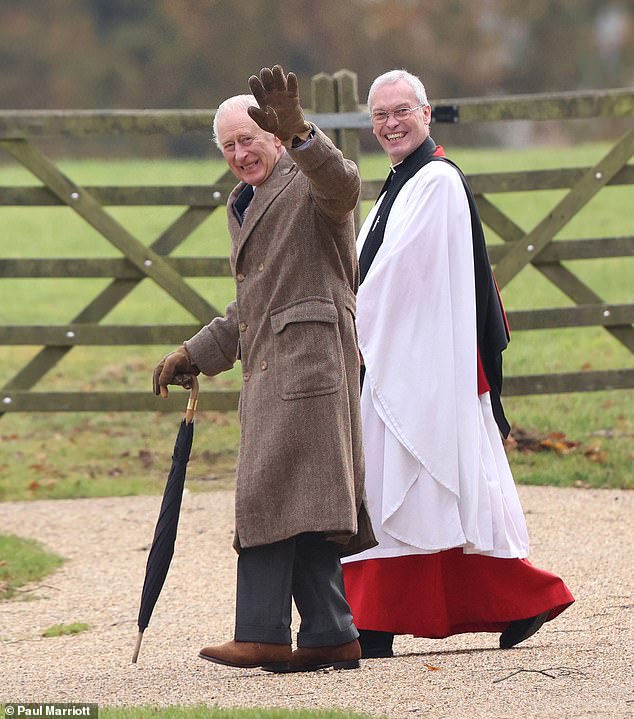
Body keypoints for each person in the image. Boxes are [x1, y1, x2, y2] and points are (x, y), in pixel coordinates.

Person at [341, 69, 574, 659]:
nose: (390, 123)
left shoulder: (437, 181)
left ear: (426, 113)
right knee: (409, 491)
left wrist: (346, 320)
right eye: (379, 116)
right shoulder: (398, 183)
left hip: (422, 367)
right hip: (398, 358)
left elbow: (399, 276)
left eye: (401, 111)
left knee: (423, 485)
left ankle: (385, 620)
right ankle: (378, 618)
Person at [153, 65, 376, 673]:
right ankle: (332, 635)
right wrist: (196, 353)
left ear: (275, 137)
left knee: (269, 496)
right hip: (278, 371)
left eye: (249, 138)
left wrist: (303, 129)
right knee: (301, 502)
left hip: (310, 370)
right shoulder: (246, 202)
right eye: (228, 146)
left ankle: (261, 633)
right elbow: (255, 306)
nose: (239, 153)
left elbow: (344, 186)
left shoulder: (307, 183)